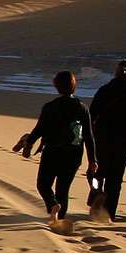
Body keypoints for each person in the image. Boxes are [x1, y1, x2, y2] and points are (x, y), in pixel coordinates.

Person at [18, 70, 97, 227]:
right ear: (74, 86)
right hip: (73, 154)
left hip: (52, 152)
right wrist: (92, 160)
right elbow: (88, 136)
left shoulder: (50, 107)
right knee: (63, 189)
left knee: (43, 185)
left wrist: (29, 144)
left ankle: (53, 205)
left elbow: (39, 129)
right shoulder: (82, 108)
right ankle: (59, 221)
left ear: (57, 86)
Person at [89, 59, 126, 221]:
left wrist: (89, 135)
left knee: (99, 172)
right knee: (116, 178)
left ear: (115, 72)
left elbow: (92, 114)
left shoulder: (104, 90)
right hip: (124, 141)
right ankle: (109, 212)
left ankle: (96, 193)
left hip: (102, 138)